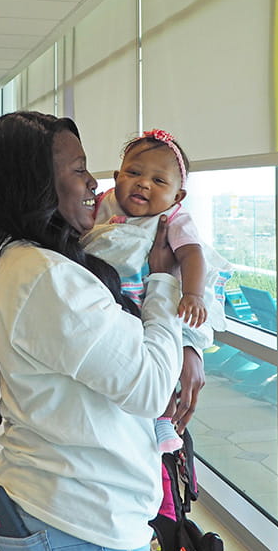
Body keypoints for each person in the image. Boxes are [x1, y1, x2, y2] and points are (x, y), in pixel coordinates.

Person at [0, 111, 203, 551]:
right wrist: (161, 280)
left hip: (60, 506)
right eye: (79, 169)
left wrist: (190, 341)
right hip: (88, 524)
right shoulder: (47, 278)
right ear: (33, 185)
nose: (95, 183)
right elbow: (154, 385)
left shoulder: (31, 261)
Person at [81, 129, 229, 453]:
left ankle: (163, 420)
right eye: (133, 173)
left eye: (159, 181)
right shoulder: (102, 205)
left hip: (145, 299)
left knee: (158, 367)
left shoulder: (174, 219)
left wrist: (192, 295)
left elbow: (192, 254)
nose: (143, 183)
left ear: (177, 196)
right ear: (117, 176)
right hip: (109, 302)